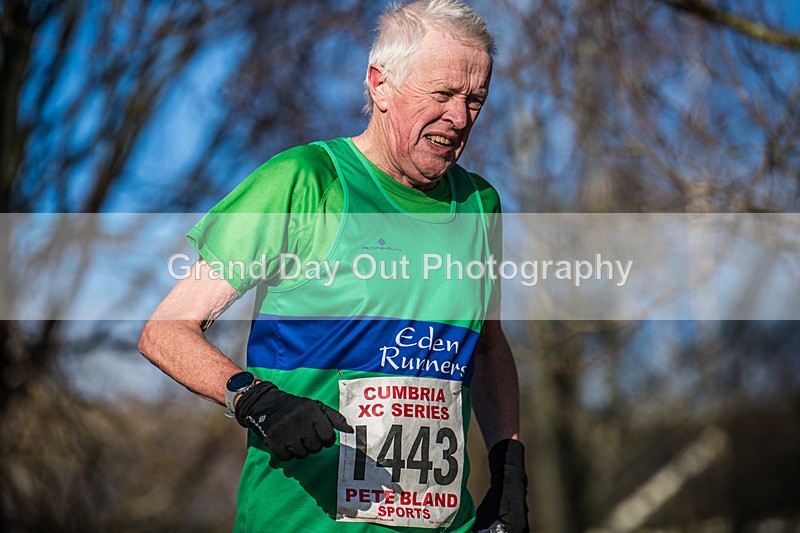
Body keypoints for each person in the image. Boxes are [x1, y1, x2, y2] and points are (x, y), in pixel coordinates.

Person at [138, 1, 528, 531]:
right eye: (441, 95)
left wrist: (509, 464)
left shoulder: (481, 205)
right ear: (380, 84)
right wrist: (257, 400)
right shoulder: (305, 181)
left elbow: (487, 344)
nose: (459, 118)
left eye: (474, 100)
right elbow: (166, 331)